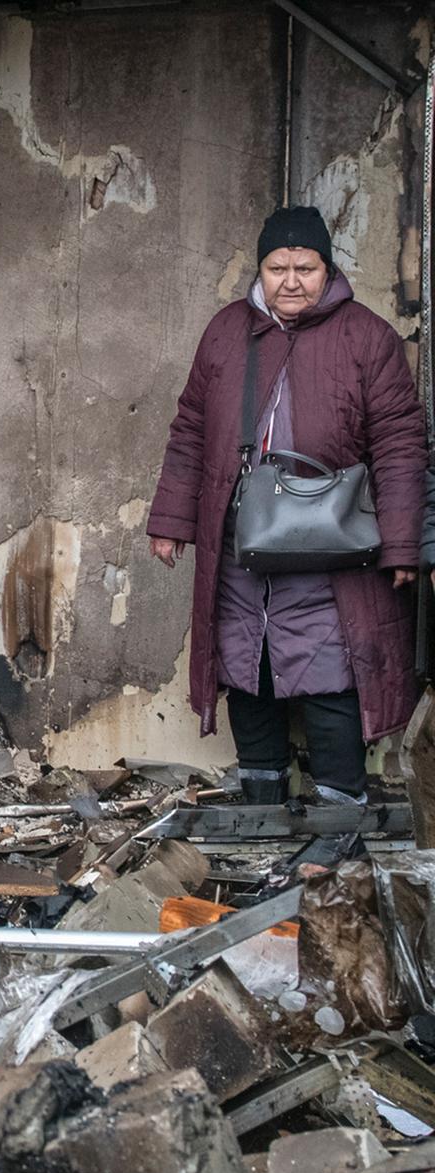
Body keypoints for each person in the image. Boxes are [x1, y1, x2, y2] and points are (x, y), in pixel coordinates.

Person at [147, 205, 426, 805]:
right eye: (278, 267)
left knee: (332, 675)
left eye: (306, 267)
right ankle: (261, 802)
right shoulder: (226, 331)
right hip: (242, 536)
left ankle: (337, 808)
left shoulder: (366, 337)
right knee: (247, 668)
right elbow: (191, 428)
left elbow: (402, 446)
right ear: (261, 269)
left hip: (333, 545)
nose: (291, 280)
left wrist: (404, 544)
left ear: (328, 270)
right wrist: (171, 520)